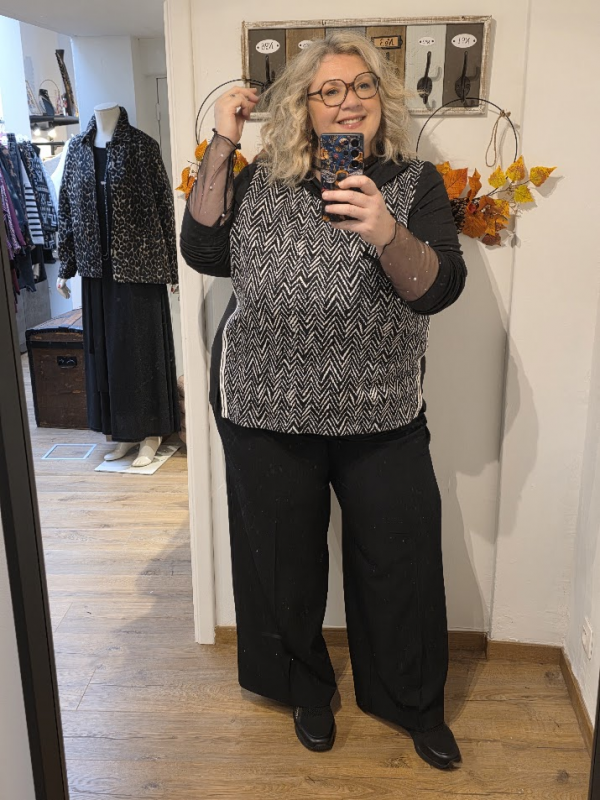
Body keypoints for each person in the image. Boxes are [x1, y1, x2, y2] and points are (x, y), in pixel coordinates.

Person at [180, 31, 467, 770]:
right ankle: (303, 688)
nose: (348, 102)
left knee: (399, 559)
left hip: (381, 411)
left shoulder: (415, 183)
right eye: (329, 90)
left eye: (362, 86)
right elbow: (203, 250)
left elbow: (437, 288)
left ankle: (411, 702)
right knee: (282, 563)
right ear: (304, 107)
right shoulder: (261, 177)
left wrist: (386, 230)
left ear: (382, 100)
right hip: (264, 404)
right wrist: (223, 142)